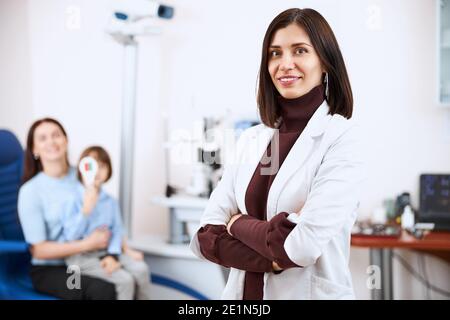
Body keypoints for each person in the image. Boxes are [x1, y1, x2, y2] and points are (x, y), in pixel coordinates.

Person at [190, 8, 365, 300]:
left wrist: (235, 223)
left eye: (300, 51)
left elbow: (300, 245)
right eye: (275, 53)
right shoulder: (251, 140)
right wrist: (273, 257)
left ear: (324, 62)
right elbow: (204, 237)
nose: (285, 64)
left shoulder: (342, 139)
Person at [18, 118, 117, 299]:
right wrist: (88, 244)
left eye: (56, 135)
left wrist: (117, 251)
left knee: (128, 277)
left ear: (66, 140)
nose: (51, 141)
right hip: (52, 268)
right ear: (34, 149)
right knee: (102, 289)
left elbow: (108, 215)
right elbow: (38, 250)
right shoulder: (30, 191)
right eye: (43, 138)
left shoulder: (84, 175)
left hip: (89, 258)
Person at [61, 146, 152, 300]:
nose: (96, 171)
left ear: (108, 171)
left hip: (108, 251)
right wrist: (85, 211)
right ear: (82, 169)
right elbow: (70, 236)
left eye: (102, 166)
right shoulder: (73, 198)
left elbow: (117, 230)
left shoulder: (110, 201)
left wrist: (113, 255)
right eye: (92, 166)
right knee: (125, 281)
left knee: (141, 269)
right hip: (81, 257)